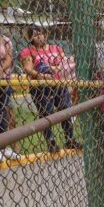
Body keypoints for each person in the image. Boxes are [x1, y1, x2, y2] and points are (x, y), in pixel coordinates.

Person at [19, 25, 78, 153]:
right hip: (40, 87)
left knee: (65, 109)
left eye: (40, 33)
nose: (39, 36)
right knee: (46, 112)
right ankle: (51, 141)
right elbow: (29, 69)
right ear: (30, 38)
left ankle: (70, 139)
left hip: (58, 84)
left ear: (45, 34)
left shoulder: (56, 48)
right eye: (35, 35)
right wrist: (44, 74)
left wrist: (57, 69)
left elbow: (63, 64)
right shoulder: (28, 51)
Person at [0, 32, 20, 161]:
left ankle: (3, 147)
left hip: (4, 81)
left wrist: (1, 69)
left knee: (5, 114)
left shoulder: (5, 39)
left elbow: (8, 58)